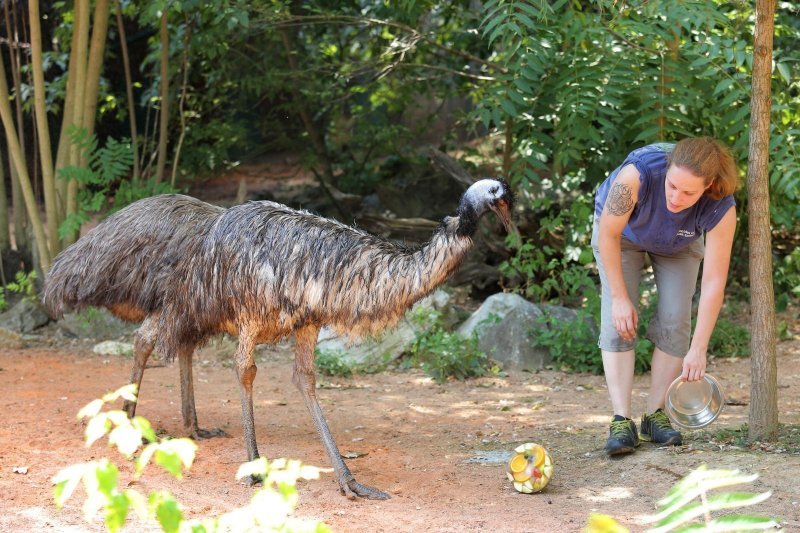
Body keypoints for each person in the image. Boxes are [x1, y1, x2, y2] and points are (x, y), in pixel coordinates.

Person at [591, 137, 738, 456]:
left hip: (679, 244)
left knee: (676, 320)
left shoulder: (721, 205)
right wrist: (619, 297)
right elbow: (608, 234)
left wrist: (699, 349)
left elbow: (713, 283)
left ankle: (655, 414)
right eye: (672, 186)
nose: (676, 197)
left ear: (708, 185)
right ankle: (621, 419)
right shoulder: (637, 175)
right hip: (623, 237)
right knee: (618, 322)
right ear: (666, 171)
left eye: (688, 193)